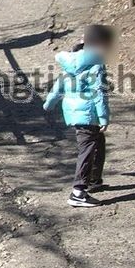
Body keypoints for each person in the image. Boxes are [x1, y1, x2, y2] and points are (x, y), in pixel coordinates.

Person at [43, 24, 116, 208]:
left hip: (75, 113)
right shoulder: (96, 65)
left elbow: (58, 86)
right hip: (89, 113)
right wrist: (104, 118)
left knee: (98, 142)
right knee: (88, 150)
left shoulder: (70, 64)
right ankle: (78, 192)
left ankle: (93, 180)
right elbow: (99, 93)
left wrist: (48, 104)